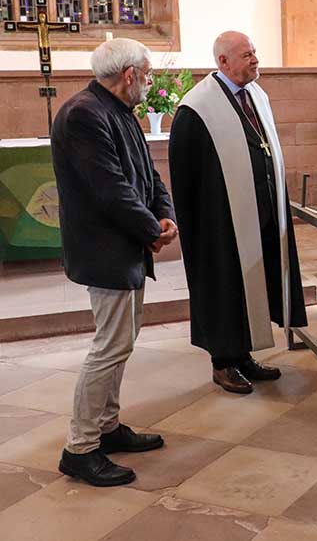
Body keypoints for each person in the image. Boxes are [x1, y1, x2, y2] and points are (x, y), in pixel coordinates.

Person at [51, 38, 177, 487]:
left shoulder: (119, 111)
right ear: (129, 75)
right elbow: (110, 189)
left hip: (126, 245)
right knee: (109, 347)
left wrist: (164, 215)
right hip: (104, 249)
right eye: (146, 74)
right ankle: (80, 448)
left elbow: (148, 175)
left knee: (119, 342)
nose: (149, 81)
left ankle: (106, 427)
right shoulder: (84, 113)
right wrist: (150, 230)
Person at [169, 31, 307, 395]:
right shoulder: (197, 108)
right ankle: (223, 362)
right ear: (223, 62)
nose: (255, 59)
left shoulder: (256, 96)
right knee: (226, 288)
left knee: (254, 285)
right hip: (220, 222)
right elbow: (184, 175)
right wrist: (200, 227)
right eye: (247, 55)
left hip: (259, 214)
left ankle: (244, 355)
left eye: (254, 52)